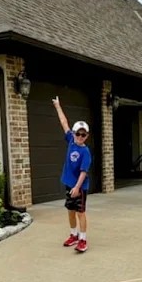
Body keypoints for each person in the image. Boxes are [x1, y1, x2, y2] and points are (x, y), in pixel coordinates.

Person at [52, 96, 92, 253]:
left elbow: (83, 172)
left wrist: (77, 187)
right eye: (78, 134)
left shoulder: (85, 151)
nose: (80, 137)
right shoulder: (70, 141)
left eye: (84, 135)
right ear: (74, 133)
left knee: (80, 212)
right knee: (70, 210)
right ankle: (73, 235)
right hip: (69, 183)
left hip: (80, 186)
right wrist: (57, 106)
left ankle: (83, 239)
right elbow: (64, 122)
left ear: (87, 136)